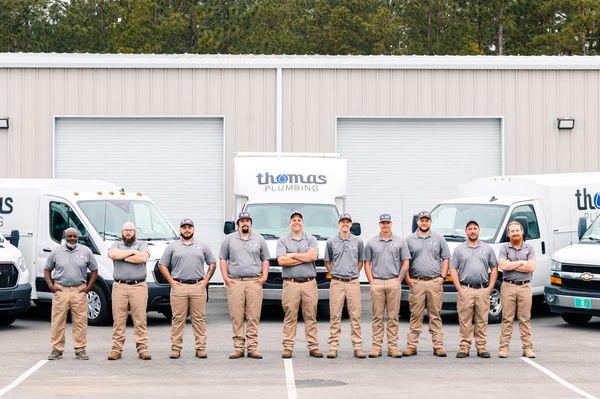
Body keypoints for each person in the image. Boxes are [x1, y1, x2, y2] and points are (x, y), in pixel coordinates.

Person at [159, 218, 217, 359]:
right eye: (184, 227)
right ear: (180, 229)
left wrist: (205, 282)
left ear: (193, 229)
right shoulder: (173, 246)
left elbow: (212, 264)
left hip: (198, 287)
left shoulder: (202, 246)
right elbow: (162, 264)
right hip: (179, 287)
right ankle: (176, 349)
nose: (187, 230)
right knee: (178, 319)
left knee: (199, 319)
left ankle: (200, 348)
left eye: (189, 227)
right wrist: (172, 282)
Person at [219, 211, 269, 359]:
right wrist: (226, 278)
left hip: (254, 282)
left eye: (247, 221)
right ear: (238, 224)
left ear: (251, 223)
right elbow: (222, 258)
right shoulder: (229, 239)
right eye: (242, 221)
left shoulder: (259, 239)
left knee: (253, 316)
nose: (245, 223)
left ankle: (253, 348)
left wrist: (264, 277)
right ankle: (238, 348)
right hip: (235, 282)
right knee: (237, 316)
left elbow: (265, 259)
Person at [44, 227, 98, 360]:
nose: (72, 238)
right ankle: (57, 349)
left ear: (77, 237)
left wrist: (88, 288)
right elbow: (47, 269)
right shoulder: (56, 251)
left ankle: (80, 349)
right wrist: (51, 286)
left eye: (74, 236)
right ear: (64, 237)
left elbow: (94, 270)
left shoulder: (86, 251)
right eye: (69, 236)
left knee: (80, 322)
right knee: (57, 321)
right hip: (61, 290)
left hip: (79, 290)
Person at [403, 210, 451, 357]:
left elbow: (446, 258)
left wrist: (442, 277)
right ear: (417, 222)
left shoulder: (439, 238)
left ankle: (438, 346)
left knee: (435, 315)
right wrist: (408, 280)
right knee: (415, 315)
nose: (424, 222)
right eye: (421, 220)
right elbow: (405, 261)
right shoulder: (409, 239)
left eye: (427, 220)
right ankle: (412, 346)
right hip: (416, 282)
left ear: (430, 222)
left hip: (434, 283)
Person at [276, 211, 323, 359]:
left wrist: (291, 255)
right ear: (290, 223)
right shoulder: (282, 240)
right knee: (290, 316)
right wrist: (305, 258)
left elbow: (314, 256)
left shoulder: (311, 239)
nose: (296, 222)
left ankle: (313, 346)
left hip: (309, 283)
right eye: (293, 220)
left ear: (303, 223)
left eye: (299, 220)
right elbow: (281, 261)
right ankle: (288, 347)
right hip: (291, 284)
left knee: (311, 315)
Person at [364, 213, 411, 358]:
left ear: (391, 224)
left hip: (393, 282)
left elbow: (406, 262)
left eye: (387, 223)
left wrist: (399, 280)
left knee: (393, 317)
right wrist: (371, 281)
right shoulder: (371, 242)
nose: (385, 225)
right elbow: (367, 263)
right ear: (380, 224)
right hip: (377, 281)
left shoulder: (400, 241)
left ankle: (393, 347)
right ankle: (376, 347)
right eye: (383, 223)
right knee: (377, 317)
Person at [450, 219, 498, 358]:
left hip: (483, 289)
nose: (472, 231)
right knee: (465, 320)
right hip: (466, 289)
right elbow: (453, 269)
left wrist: (490, 288)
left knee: (482, 319)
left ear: (479, 230)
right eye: (470, 229)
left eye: (475, 228)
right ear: (466, 231)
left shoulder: (487, 248)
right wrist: (459, 288)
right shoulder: (459, 250)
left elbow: (494, 268)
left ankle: (481, 347)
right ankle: (464, 347)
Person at [107, 222, 151, 360]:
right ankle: (116, 350)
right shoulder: (116, 244)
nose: (128, 233)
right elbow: (112, 254)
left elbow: (143, 257)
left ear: (135, 231)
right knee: (118, 320)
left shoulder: (142, 244)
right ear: (122, 231)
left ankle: (142, 349)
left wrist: (122, 257)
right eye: (125, 230)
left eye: (130, 230)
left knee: (140, 319)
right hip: (119, 287)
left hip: (138, 286)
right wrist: (131, 253)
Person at [325, 213, 366, 359]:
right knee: (335, 315)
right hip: (336, 282)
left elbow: (361, 261)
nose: (345, 224)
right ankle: (333, 346)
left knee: (355, 316)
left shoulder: (358, 241)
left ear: (351, 225)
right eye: (342, 222)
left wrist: (353, 273)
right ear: (338, 224)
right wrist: (335, 274)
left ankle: (358, 347)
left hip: (353, 282)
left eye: (348, 222)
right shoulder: (331, 241)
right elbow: (328, 262)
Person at [498, 220, 536, 358]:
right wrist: (521, 262)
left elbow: (531, 267)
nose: (515, 233)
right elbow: (503, 266)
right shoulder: (504, 248)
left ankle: (527, 348)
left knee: (525, 319)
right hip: (508, 286)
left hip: (525, 286)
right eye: (512, 231)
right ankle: (503, 348)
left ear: (522, 232)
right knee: (507, 318)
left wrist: (511, 263)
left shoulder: (529, 248)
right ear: (508, 234)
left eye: (517, 231)